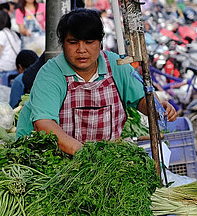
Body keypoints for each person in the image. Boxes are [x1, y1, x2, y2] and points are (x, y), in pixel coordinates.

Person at [16, 9, 176, 155]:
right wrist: (86, 156)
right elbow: (43, 123)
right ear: (63, 44)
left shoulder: (117, 66)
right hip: (54, 158)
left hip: (104, 159)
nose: (81, 49)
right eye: (73, 43)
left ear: (100, 43)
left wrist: (157, 107)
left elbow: (140, 99)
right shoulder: (50, 74)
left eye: (89, 42)